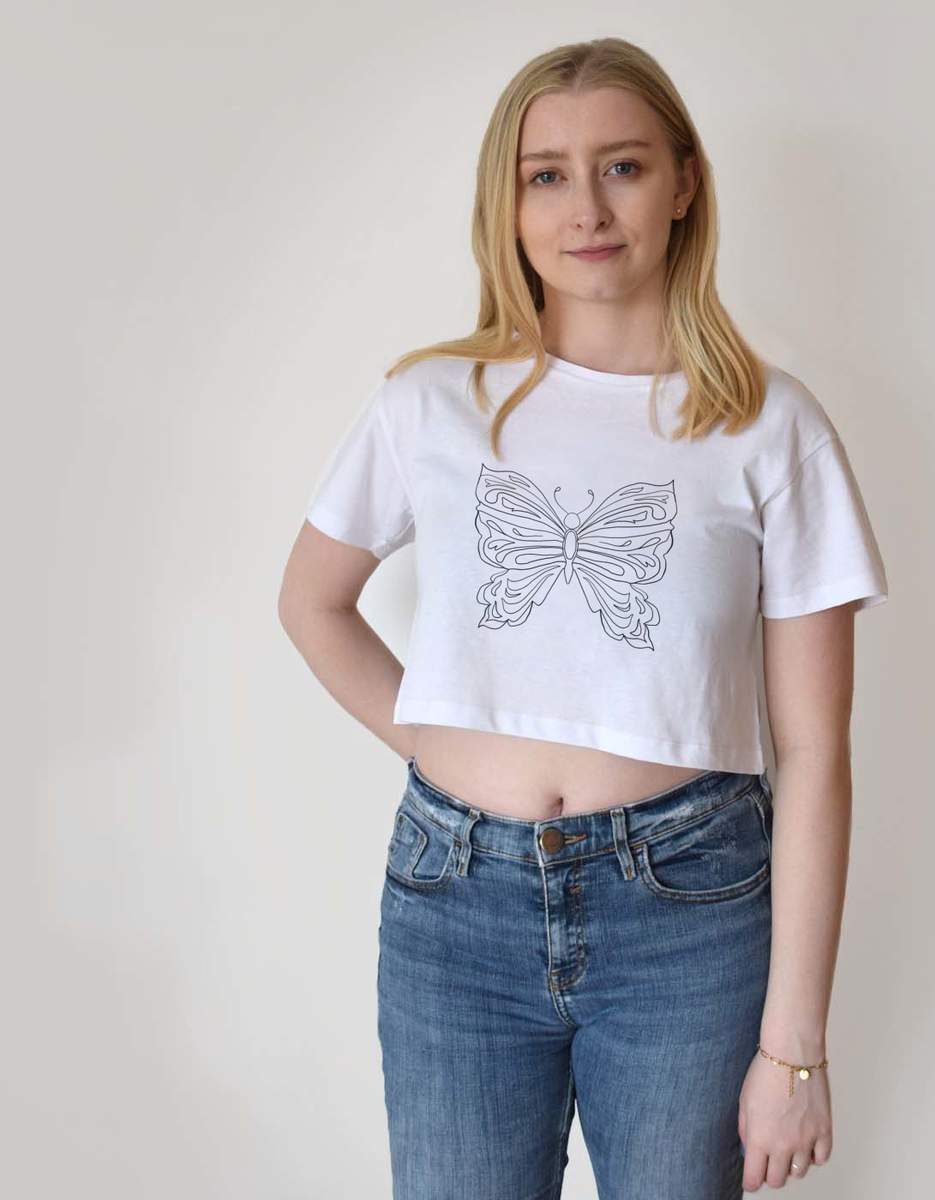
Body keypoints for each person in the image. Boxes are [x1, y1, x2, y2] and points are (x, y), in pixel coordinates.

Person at [278, 35, 888, 1200]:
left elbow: (815, 751)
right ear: (506, 204)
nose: (587, 208)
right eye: (546, 175)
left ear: (684, 182)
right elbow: (312, 602)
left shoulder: (770, 427)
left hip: (687, 911)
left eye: (623, 166)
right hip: (453, 905)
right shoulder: (431, 401)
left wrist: (795, 1049)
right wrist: (444, 745)